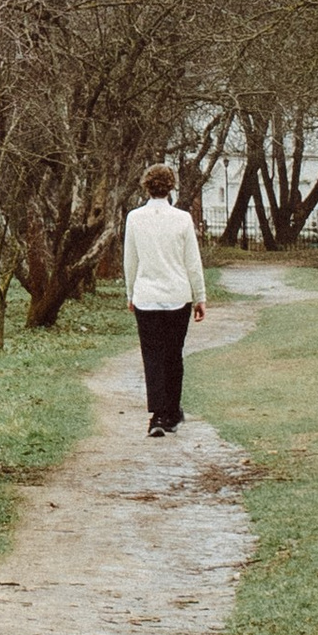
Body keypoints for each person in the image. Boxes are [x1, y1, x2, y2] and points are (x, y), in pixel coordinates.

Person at [120, 161, 206, 436]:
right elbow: (192, 262)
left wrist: (130, 293)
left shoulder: (134, 218)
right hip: (177, 296)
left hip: (147, 296)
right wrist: (199, 296)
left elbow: (130, 260)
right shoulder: (182, 219)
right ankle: (172, 412)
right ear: (171, 187)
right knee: (173, 355)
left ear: (146, 186)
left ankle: (157, 414)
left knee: (152, 355)